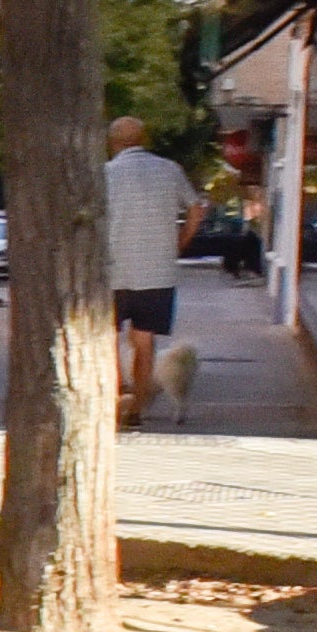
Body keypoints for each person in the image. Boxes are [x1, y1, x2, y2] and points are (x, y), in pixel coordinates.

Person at [102, 115, 200, 426]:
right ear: (143, 139)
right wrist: (179, 242)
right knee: (143, 341)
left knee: (106, 338)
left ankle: (115, 397)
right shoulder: (170, 170)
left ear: (114, 143)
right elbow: (197, 209)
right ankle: (137, 410)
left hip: (112, 270)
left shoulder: (104, 174)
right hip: (157, 272)